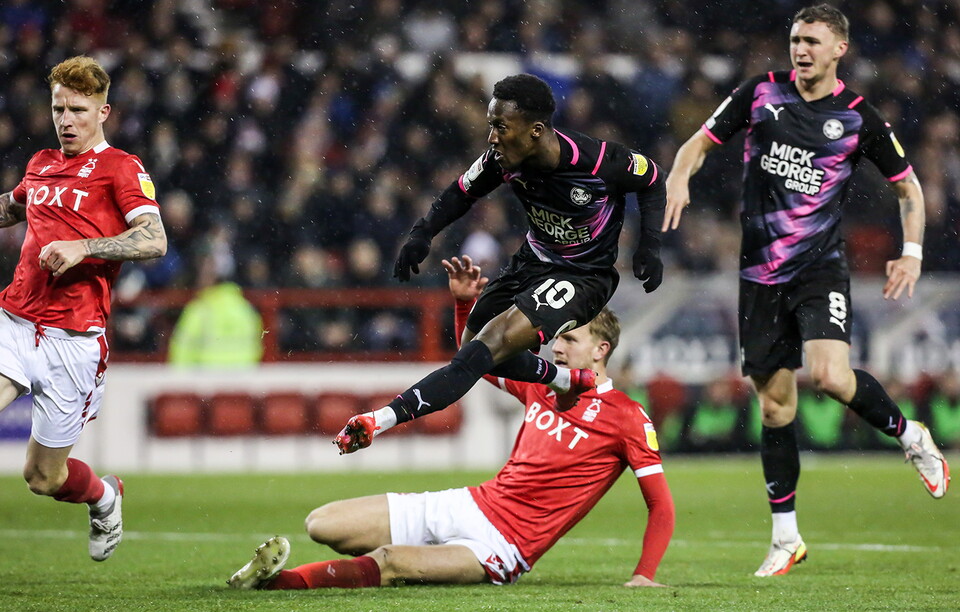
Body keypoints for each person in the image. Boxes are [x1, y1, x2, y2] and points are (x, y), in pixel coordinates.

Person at [662, 4, 950, 577]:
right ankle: (786, 538)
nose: (801, 49)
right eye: (796, 39)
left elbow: (909, 189)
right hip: (758, 276)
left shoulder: (860, 118)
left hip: (819, 269)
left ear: (839, 48)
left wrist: (911, 252)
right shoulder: (760, 92)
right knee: (774, 407)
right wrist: (677, 176)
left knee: (829, 377)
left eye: (813, 41)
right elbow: (698, 143)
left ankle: (909, 434)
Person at [228, 255, 674, 590]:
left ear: (601, 350)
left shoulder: (628, 418)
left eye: (570, 340)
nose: (557, 349)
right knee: (322, 524)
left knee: (391, 561)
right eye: (557, 338)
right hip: (471, 504)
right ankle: (410, 558)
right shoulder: (543, 384)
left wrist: (644, 575)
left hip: (503, 546)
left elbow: (660, 505)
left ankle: (276, 585)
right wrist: (465, 307)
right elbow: (475, 361)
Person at [334, 73, 665, 454]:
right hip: (531, 262)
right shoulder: (502, 159)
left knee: (485, 350)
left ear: (535, 130)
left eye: (500, 126)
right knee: (471, 349)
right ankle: (564, 379)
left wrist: (649, 246)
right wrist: (422, 234)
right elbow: (461, 192)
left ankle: (380, 420)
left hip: (583, 276)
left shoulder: (598, 160)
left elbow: (653, 179)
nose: (492, 137)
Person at [0, 56, 167, 561]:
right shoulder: (42, 162)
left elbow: (155, 239)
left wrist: (85, 247)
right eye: (58, 109)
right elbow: (14, 205)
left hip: (72, 341)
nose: (65, 120)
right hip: (14, 320)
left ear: (103, 112)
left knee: (41, 478)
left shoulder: (121, 168)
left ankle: (103, 495)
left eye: (77, 109)